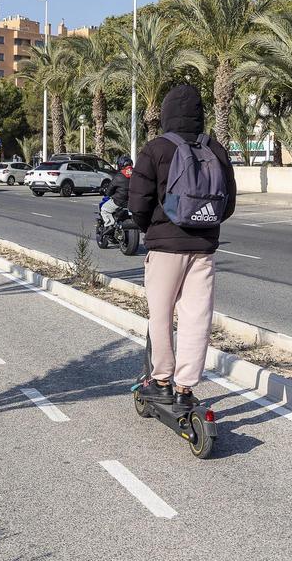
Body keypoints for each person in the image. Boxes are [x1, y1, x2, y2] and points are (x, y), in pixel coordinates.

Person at [128, 84, 235, 411]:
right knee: (196, 317)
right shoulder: (215, 149)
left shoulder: (156, 149)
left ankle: (161, 381)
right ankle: (185, 388)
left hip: (164, 248)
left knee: (160, 315)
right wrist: (207, 223)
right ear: (201, 114)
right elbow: (228, 203)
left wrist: (152, 230)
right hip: (204, 248)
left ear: (165, 113)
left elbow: (138, 202)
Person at [99, 154, 133, 231]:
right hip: (133, 202)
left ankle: (109, 224)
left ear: (120, 165)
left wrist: (106, 192)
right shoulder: (137, 174)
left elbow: (109, 191)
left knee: (104, 209)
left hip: (120, 202)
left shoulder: (119, 176)